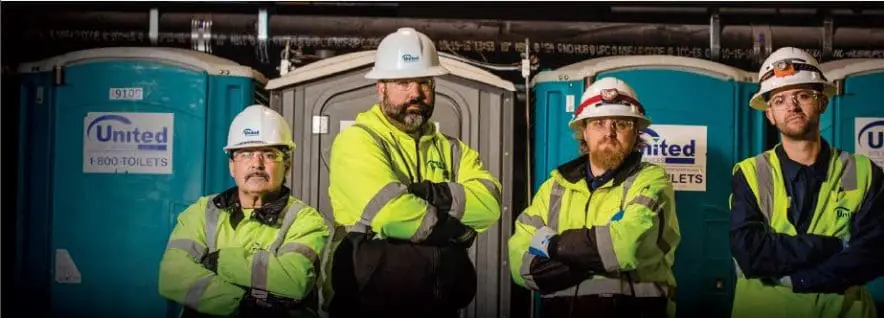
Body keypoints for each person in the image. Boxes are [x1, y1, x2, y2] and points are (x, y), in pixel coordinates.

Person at [325, 27, 502, 318]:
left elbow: (491, 203)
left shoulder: (453, 149)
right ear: (381, 86)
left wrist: (428, 194)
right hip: (367, 307)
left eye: (424, 82)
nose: (416, 93)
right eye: (403, 82)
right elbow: (390, 214)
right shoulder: (358, 140)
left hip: (439, 309)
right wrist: (457, 229)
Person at [729, 47, 884, 318]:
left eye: (803, 96)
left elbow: (874, 255)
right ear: (769, 114)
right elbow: (751, 253)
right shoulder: (750, 173)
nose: (791, 107)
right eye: (780, 100)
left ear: (823, 103)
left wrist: (800, 280)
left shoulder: (864, 171)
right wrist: (834, 246)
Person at [508, 77, 681, 318]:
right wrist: (596, 254)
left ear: (635, 132)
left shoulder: (652, 181)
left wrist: (552, 245)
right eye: (599, 123)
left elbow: (626, 247)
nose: (609, 133)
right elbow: (519, 265)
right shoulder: (554, 188)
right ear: (584, 132)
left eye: (620, 124)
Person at [158, 105, 331, 318]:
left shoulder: (304, 219)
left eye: (269, 155)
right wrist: (241, 305)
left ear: (287, 165)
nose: (256, 164)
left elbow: (294, 280)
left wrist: (218, 261)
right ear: (232, 166)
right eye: (246, 154)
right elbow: (172, 275)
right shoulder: (203, 211)